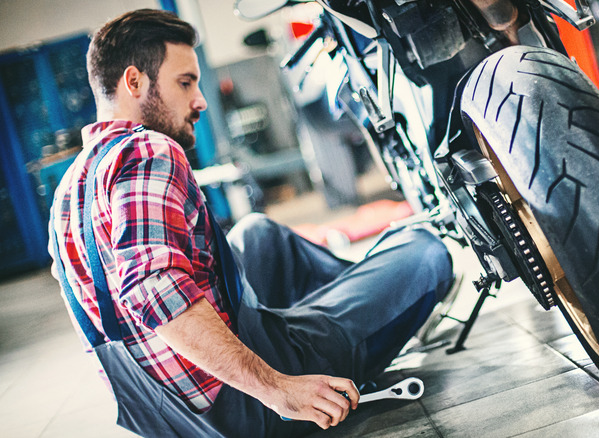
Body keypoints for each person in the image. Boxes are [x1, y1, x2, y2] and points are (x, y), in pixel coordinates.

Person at [48, 9, 453, 437]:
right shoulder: (148, 150)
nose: (200, 99)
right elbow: (153, 289)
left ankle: (345, 309)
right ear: (134, 83)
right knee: (424, 249)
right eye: (185, 83)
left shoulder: (69, 189)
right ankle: (358, 326)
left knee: (258, 233)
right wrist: (278, 389)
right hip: (247, 408)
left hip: (168, 416)